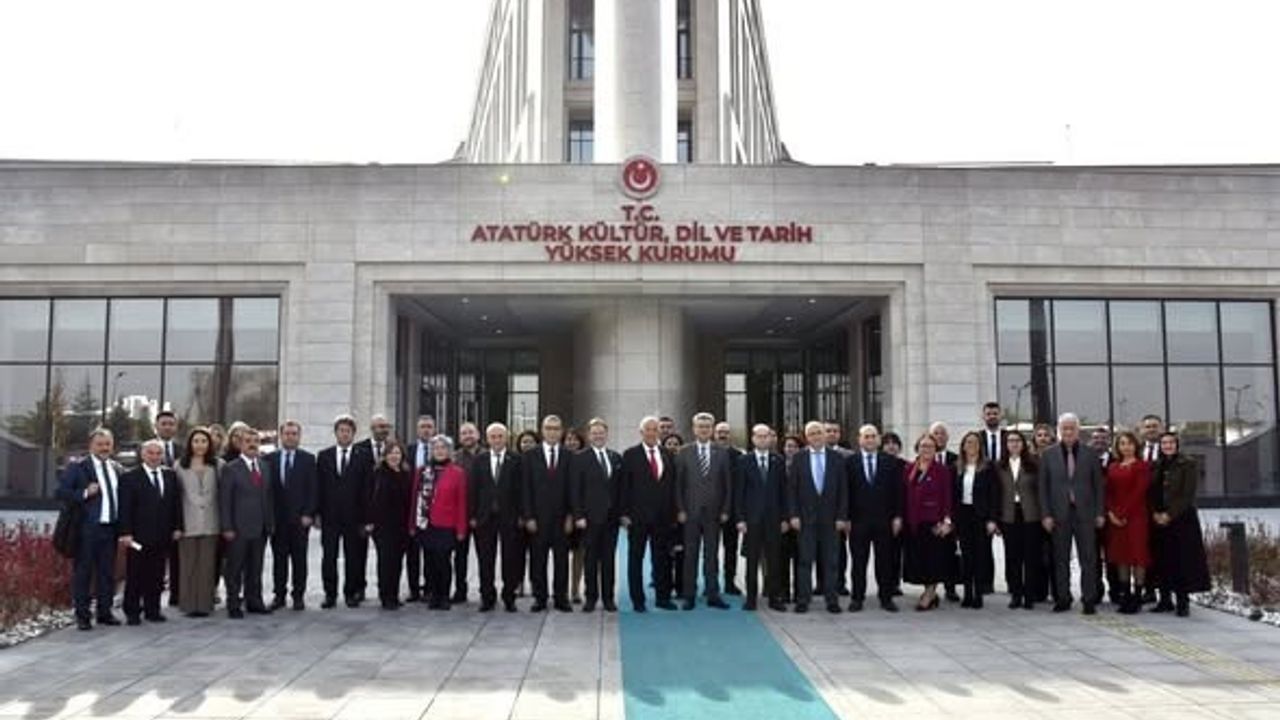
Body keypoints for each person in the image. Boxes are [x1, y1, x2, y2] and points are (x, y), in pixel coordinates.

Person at [1039, 413, 1106, 615]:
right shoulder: (1048, 454)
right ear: (1059, 431)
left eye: (1072, 428)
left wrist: (1100, 512)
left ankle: (1089, 599)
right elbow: (1043, 487)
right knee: (1060, 558)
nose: (1068, 432)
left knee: (1089, 558)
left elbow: (1098, 486)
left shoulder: (1090, 453)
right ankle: (1063, 598)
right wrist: (1046, 515)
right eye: (1064, 428)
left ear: (1078, 430)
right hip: (1059, 514)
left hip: (1085, 513)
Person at [58, 428, 124, 630]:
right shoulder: (78, 467)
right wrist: (85, 492)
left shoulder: (117, 468)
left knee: (107, 573)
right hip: (87, 528)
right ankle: (83, 616)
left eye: (108, 444)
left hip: (110, 528)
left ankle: (105, 612)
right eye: (100, 444)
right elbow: (61, 492)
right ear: (91, 446)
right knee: (84, 572)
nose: (104, 448)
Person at [787, 420, 849, 614]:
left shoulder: (837, 458)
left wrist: (842, 516)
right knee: (805, 561)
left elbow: (843, 490)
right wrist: (794, 515)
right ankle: (803, 600)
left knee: (831, 562)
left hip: (831, 520)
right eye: (812, 433)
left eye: (819, 433)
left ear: (824, 435)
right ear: (807, 437)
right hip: (805, 520)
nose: (816, 436)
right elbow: (792, 490)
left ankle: (832, 600)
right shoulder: (798, 458)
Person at [117, 439, 182, 625]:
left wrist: (177, 527)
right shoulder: (130, 478)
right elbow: (125, 508)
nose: (154, 457)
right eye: (150, 453)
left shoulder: (170, 476)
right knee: (136, 574)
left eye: (158, 453)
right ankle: (132, 611)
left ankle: (153, 609)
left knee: (157, 575)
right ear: (143, 455)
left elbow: (175, 505)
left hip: (162, 536)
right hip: (137, 537)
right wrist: (126, 532)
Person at [619, 416, 678, 612]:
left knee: (662, 558)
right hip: (638, 517)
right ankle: (638, 600)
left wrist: (675, 512)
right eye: (648, 429)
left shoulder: (667, 454)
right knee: (636, 558)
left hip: (663, 517)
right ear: (641, 432)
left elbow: (672, 487)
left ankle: (663, 597)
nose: (652, 433)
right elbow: (624, 487)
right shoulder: (630, 455)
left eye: (655, 429)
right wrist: (625, 514)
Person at [675, 412, 733, 611]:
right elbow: (678, 485)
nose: (704, 430)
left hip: (714, 513)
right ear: (694, 428)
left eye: (707, 427)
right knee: (690, 555)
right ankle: (689, 595)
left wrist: (726, 509)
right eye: (700, 426)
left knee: (712, 555)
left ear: (712, 429)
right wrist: (680, 509)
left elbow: (727, 485)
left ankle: (713, 594)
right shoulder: (684, 452)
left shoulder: (722, 452)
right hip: (690, 513)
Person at [1149, 432, 1210, 617]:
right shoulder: (1156, 465)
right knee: (1162, 560)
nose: (1167, 446)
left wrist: (1169, 514)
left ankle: (1183, 602)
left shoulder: (1187, 464)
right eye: (1164, 443)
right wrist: (1155, 513)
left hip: (1181, 520)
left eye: (1171, 442)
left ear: (1177, 444)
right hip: (1158, 520)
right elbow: (1151, 491)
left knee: (1181, 561)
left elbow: (1187, 494)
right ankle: (1165, 599)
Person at [316, 415, 373, 609]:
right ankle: (330, 594)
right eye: (341, 430)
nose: (344, 434)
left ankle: (351, 593)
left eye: (348, 431)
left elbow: (367, 489)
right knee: (329, 557)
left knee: (353, 557)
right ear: (336, 433)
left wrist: (366, 518)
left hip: (354, 517)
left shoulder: (363, 456)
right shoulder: (324, 456)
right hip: (330, 517)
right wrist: (317, 513)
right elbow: (319, 488)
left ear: (353, 434)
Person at [846, 424, 903, 613]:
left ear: (878, 439)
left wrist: (897, 516)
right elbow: (845, 493)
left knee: (884, 561)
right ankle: (857, 598)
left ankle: (886, 598)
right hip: (858, 521)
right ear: (859, 439)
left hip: (884, 520)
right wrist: (846, 518)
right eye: (866, 436)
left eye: (873, 436)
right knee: (858, 562)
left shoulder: (890, 462)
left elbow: (897, 492)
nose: (870, 440)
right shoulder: (850, 462)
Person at [220, 428, 275, 619]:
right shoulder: (231, 468)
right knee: (234, 568)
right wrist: (227, 527)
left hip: (260, 527)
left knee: (256, 567)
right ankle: (234, 603)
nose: (252, 444)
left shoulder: (265, 466)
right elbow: (225, 500)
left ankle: (254, 601)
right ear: (240, 444)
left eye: (255, 441)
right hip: (238, 527)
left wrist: (270, 523)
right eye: (247, 441)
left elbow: (268, 497)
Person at [263, 420, 316, 611]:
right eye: (287, 433)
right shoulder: (269, 460)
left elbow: (313, 489)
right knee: (279, 559)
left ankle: (298, 595)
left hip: (300, 519)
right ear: (280, 435)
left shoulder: (308, 459)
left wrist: (309, 513)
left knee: (299, 559)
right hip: (278, 519)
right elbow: (267, 491)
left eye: (294, 434)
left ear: (299, 437)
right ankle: (279, 595)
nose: (290, 437)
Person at [470, 422, 524, 612]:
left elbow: (522, 491)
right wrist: (473, 515)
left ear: (506, 438)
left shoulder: (516, 460)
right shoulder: (479, 460)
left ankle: (509, 596)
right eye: (493, 437)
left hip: (509, 518)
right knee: (486, 558)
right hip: (485, 518)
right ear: (487, 439)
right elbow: (473, 489)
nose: (497, 440)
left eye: (500, 436)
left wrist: (522, 516)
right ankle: (487, 596)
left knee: (510, 558)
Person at [412, 435, 470, 610]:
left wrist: (461, 529)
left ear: (449, 451)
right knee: (429, 561)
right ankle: (433, 594)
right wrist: (412, 525)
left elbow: (462, 502)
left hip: (446, 524)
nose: (439, 451)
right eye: (436, 448)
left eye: (443, 448)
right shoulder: (422, 471)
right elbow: (415, 499)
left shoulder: (458, 473)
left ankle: (444, 595)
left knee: (443, 561)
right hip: (425, 523)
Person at [523, 415, 574, 612]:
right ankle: (540, 597)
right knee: (538, 560)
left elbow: (573, 489)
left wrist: (571, 515)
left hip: (562, 520)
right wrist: (529, 517)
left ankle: (561, 597)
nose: (552, 432)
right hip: (538, 519)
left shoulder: (570, 456)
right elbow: (525, 489)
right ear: (542, 431)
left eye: (556, 428)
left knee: (562, 560)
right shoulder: (529, 456)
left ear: (561, 432)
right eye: (548, 428)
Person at [572, 417, 623, 613]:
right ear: (588, 435)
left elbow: (621, 489)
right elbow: (575, 490)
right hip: (589, 519)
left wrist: (621, 513)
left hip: (611, 519)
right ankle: (591, 598)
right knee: (590, 559)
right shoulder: (580, 458)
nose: (598, 435)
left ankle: (608, 598)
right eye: (594, 433)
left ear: (606, 434)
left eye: (601, 432)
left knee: (609, 560)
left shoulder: (615, 457)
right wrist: (578, 516)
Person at [735, 423, 787, 611]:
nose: (763, 439)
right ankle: (751, 599)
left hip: (774, 520)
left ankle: (774, 598)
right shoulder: (744, 461)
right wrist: (740, 519)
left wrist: (784, 518)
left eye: (767, 436)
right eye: (760, 436)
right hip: (752, 521)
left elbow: (784, 492)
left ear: (771, 439)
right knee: (752, 561)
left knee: (774, 561)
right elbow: (739, 492)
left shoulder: (778, 461)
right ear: (753, 438)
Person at [902, 433, 953, 612]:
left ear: (936, 449)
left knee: (933, 560)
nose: (926, 449)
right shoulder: (909, 468)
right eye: (923, 446)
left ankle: (929, 594)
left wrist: (947, 521)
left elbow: (947, 498)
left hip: (933, 523)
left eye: (930, 446)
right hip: (913, 522)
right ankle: (929, 592)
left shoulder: (942, 471)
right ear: (917, 448)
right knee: (920, 560)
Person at [174, 428, 222, 617]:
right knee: (188, 565)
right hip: (188, 521)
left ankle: (204, 604)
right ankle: (188, 604)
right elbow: (175, 497)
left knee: (207, 565)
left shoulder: (218, 465)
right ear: (190, 444)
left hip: (211, 521)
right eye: (196, 441)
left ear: (209, 444)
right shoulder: (179, 466)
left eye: (204, 441)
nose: (200, 445)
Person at [994, 430, 1041, 610]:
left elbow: (1040, 490)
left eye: (1017, 441)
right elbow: (996, 494)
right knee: (1012, 556)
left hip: (1030, 514)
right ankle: (1015, 593)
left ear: (1023, 444)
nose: (1014, 444)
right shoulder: (999, 466)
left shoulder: (1033, 464)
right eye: (1010, 441)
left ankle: (1029, 595)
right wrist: (997, 519)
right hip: (1008, 514)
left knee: (1030, 556)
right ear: (1006, 445)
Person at [1105, 431, 1150, 614]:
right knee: (1121, 556)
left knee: (1138, 556)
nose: (1126, 447)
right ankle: (1125, 595)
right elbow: (1108, 492)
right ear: (1118, 447)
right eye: (1122, 443)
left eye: (1130, 443)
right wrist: (1111, 513)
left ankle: (1138, 597)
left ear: (1136, 446)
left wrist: (1123, 513)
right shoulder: (1113, 467)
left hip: (1136, 517)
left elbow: (1139, 492)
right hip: (1115, 519)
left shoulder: (1142, 466)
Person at [952, 431, 997, 609]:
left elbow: (994, 495)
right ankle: (967, 593)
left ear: (980, 446)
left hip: (981, 516)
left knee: (980, 556)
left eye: (975, 442)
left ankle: (978, 594)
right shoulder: (956, 466)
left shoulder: (988, 467)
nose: (971, 446)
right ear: (963, 446)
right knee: (966, 556)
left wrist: (992, 519)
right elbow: (953, 495)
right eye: (968, 442)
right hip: (963, 515)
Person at [370, 440, 412, 610]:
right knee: (385, 562)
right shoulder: (378, 473)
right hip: (383, 526)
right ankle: (385, 596)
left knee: (397, 562)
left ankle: (394, 594)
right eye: (391, 453)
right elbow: (371, 500)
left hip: (401, 526)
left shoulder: (405, 473)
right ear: (385, 456)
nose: (394, 456)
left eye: (397, 453)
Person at [405, 415, 437, 602]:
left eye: (429, 427)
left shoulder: (440, 450)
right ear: (417, 430)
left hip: (433, 508)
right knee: (412, 552)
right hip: (412, 508)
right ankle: (413, 589)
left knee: (431, 551)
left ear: (434, 429)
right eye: (423, 427)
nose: (426, 430)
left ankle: (430, 588)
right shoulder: (408, 450)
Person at [153, 410, 182, 608]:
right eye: (164, 423)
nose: (167, 427)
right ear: (156, 426)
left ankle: (176, 595)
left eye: (171, 424)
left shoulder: (183, 450)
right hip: (153, 514)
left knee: (178, 557)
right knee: (154, 560)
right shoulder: (147, 449)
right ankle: (152, 598)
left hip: (177, 511)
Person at [452, 421, 483, 604]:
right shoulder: (454, 458)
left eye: (471, 432)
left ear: (478, 435)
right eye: (464, 433)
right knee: (460, 556)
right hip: (460, 516)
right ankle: (460, 590)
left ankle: (486, 590)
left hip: (482, 516)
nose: (468, 436)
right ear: (460, 437)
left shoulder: (487, 456)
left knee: (484, 555)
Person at [714, 421, 744, 596]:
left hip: (732, 510)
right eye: (719, 432)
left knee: (730, 548)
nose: (722, 435)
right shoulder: (708, 452)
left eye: (725, 432)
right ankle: (711, 582)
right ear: (714, 434)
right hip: (710, 509)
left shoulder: (738, 455)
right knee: (710, 549)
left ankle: (729, 582)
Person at [1138, 414, 1166, 604]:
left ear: (1161, 428)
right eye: (1147, 426)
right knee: (1144, 551)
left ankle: (1166, 592)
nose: (1151, 429)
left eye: (1154, 426)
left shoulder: (1169, 449)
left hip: (1163, 510)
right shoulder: (1134, 450)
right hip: (1140, 510)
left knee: (1164, 552)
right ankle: (1148, 590)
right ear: (1141, 430)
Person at [562, 426, 587, 604]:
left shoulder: (585, 460)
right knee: (561, 555)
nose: (571, 442)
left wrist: (576, 515)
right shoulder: (560, 460)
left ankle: (575, 590)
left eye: (575, 439)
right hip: (561, 515)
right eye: (568, 439)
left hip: (580, 514)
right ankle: (560, 590)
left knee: (579, 554)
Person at [662, 432, 686, 597]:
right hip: (664, 516)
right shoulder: (659, 463)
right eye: (669, 443)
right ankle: (665, 585)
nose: (672, 446)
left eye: (675, 443)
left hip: (682, 515)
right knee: (665, 554)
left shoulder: (685, 464)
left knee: (681, 554)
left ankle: (681, 586)